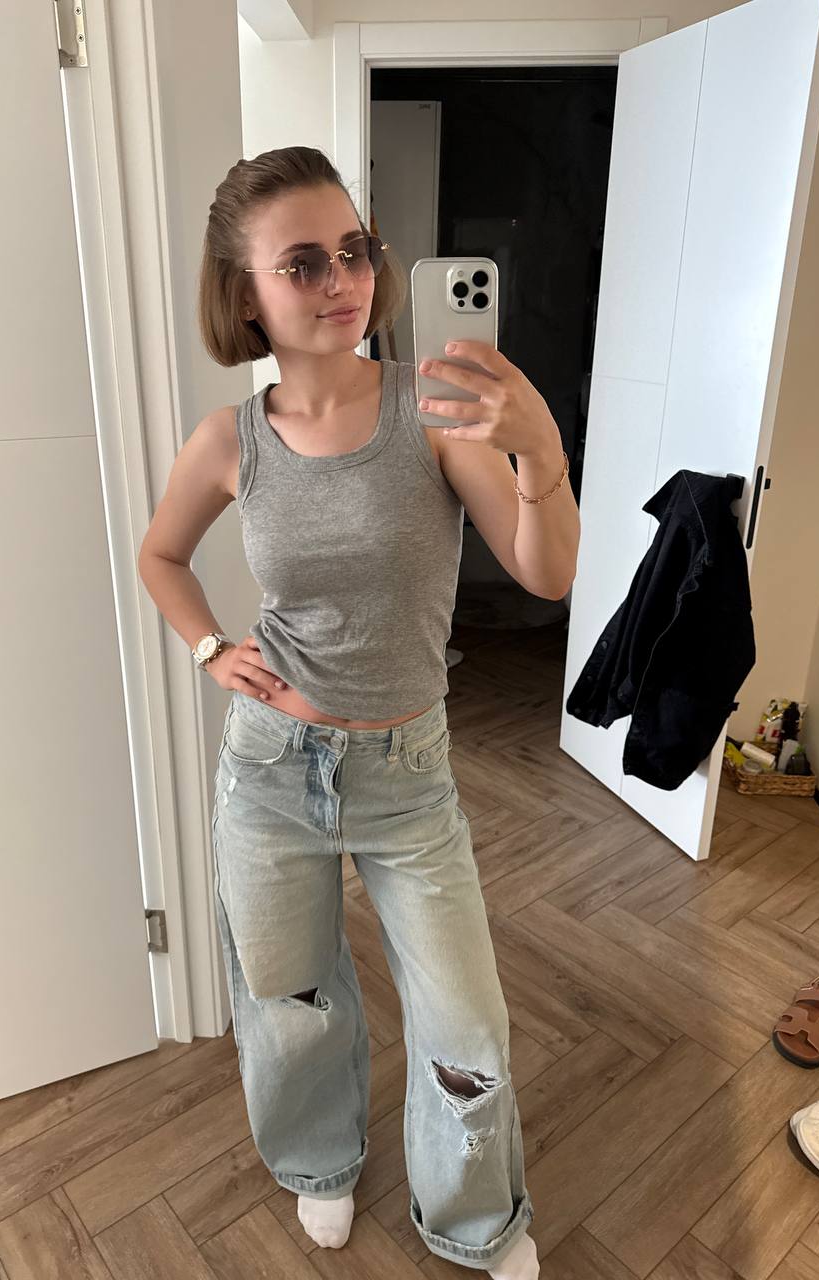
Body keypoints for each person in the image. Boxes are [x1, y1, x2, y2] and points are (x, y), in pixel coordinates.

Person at [138, 144, 578, 1279]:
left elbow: (546, 574)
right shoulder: (228, 441)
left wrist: (538, 443)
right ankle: (320, 1161)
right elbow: (159, 555)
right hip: (271, 770)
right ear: (246, 294)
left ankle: (474, 1215)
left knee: (467, 1026)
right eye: (303, 263)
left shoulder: (431, 410)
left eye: (355, 251)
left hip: (407, 776)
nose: (343, 280)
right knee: (289, 998)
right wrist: (210, 649)